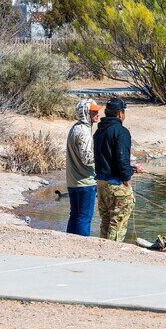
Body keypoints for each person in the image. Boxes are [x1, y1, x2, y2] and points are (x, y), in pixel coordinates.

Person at [93, 97, 145, 242]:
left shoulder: (99, 132)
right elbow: (121, 160)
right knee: (117, 224)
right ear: (120, 114)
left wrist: (131, 168)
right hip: (116, 185)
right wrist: (127, 178)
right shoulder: (121, 131)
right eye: (124, 112)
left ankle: (101, 254)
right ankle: (112, 256)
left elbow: (109, 158)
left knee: (106, 222)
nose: (124, 115)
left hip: (101, 185)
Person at [66, 99, 102, 236]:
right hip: (85, 182)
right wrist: (103, 158)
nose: (98, 114)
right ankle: (83, 245)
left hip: (72, 181)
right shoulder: (84, 132)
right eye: (94, 112)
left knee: (74, 215)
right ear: (85, 113)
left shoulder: (75, 128)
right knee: (84, 218)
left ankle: (70, 242)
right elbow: (87, 159)